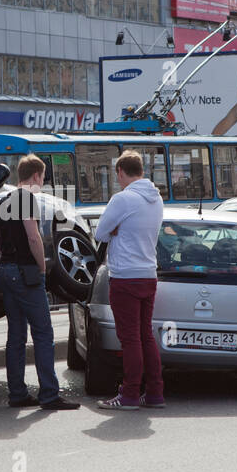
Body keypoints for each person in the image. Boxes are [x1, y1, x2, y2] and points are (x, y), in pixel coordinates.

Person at [0, 154, 80, 411]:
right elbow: (33, 237)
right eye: (42, 178)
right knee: (43, 334)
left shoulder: (3, 200)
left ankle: (17, 394)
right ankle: (50, 395)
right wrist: (42, 268)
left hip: (5, 270)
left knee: (16, 336)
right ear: (36, 176)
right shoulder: (26, 199)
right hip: (26, 272)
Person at [93, 150, 165, 410]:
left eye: (118, 176)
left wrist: (116, 229)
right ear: (141, 172)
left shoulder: (122, 199)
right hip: (148, 274)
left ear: (121, 172)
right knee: (146, 336)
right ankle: (155, 393)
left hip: (125, 277)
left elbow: (100, 233)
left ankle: (130, 394)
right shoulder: (156, 199)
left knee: (130, 339)